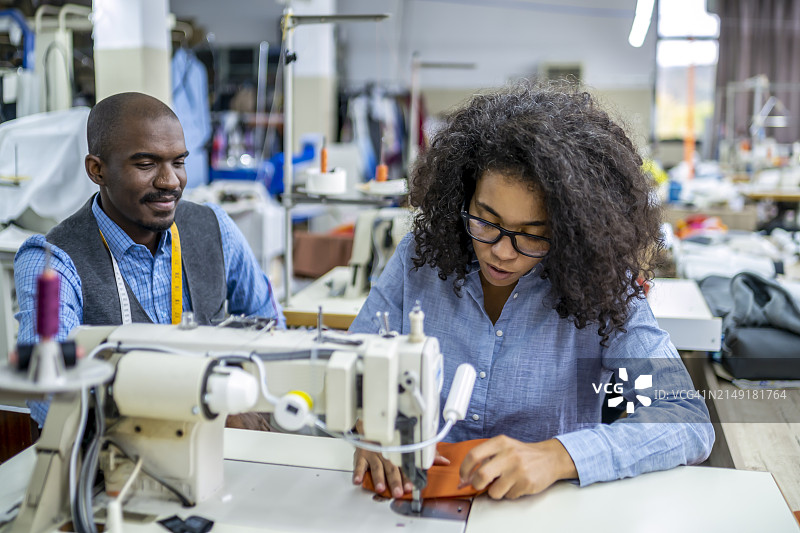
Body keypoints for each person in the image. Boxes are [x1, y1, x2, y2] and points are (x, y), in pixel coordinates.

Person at [349, 81, 714, 500]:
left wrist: (559, 456)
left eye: (533, 235)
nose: (502, 252)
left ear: (571, 230)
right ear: (462, 197)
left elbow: (685, 416)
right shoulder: (421, 258)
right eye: (486, 221)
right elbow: (355, 357)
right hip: (415, 493)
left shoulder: (602, 283)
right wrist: (368, 420)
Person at [14, 92, 284, 427]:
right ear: (97, 170)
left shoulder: (214, 228)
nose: (170, 181)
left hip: (227, 449)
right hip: (116, 465)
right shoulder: (52, 261)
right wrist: (207, 407)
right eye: (146, 164)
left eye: (179, 162)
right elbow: (49, 395)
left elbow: (273, 331)